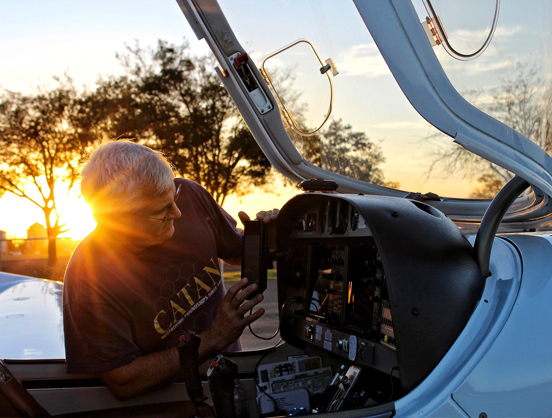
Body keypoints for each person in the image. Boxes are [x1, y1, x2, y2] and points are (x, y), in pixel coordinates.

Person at [63, 140, 278, 400]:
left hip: (233, 379)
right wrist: (212, 338)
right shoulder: (88, 277)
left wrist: (271, 237)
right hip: (176, 399)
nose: (177, 212)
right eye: (162, 211)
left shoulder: (189, 195)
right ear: (117, 220)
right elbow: (123, 380)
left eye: (172, 197)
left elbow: (235, 252)